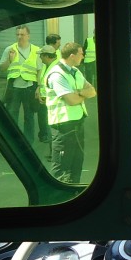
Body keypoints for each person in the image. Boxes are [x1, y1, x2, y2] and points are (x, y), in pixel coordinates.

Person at [45, 42, 96, 184]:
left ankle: (73, 193)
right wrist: (80, 95)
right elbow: (72, 100)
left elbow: (92, 91)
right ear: (72, 56)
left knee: (76, 164)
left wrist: (79, 92)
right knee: (61, 167)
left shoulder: (75, 71)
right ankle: (55, 199)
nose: (83, 56)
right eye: (81, 53)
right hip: (63, 127)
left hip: (77, 124)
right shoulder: (57, 74)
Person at [0, 25, 41, 142]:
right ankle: (13, 140)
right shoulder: (9, 49)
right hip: (14, 88)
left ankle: (29, 141)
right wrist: (10, 60)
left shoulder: (36, 50)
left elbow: (39, 70)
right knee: (12, 116)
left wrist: (39, 87)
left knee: (29, 116)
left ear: (28, 36)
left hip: (30, 87)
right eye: (17, 34)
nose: (19, 37)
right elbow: (2, 68)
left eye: (22, 34)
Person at [35, 45, 59, 144]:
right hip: (45, 100)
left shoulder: (56, 67)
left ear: (46, 56)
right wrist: (38, 89)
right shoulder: (46, 66)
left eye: (41, 55)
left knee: (53, 127)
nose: (40, 57)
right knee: (48, 125)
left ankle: (55, 153)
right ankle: (53, 151)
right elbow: (43, 81)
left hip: (52, 102)